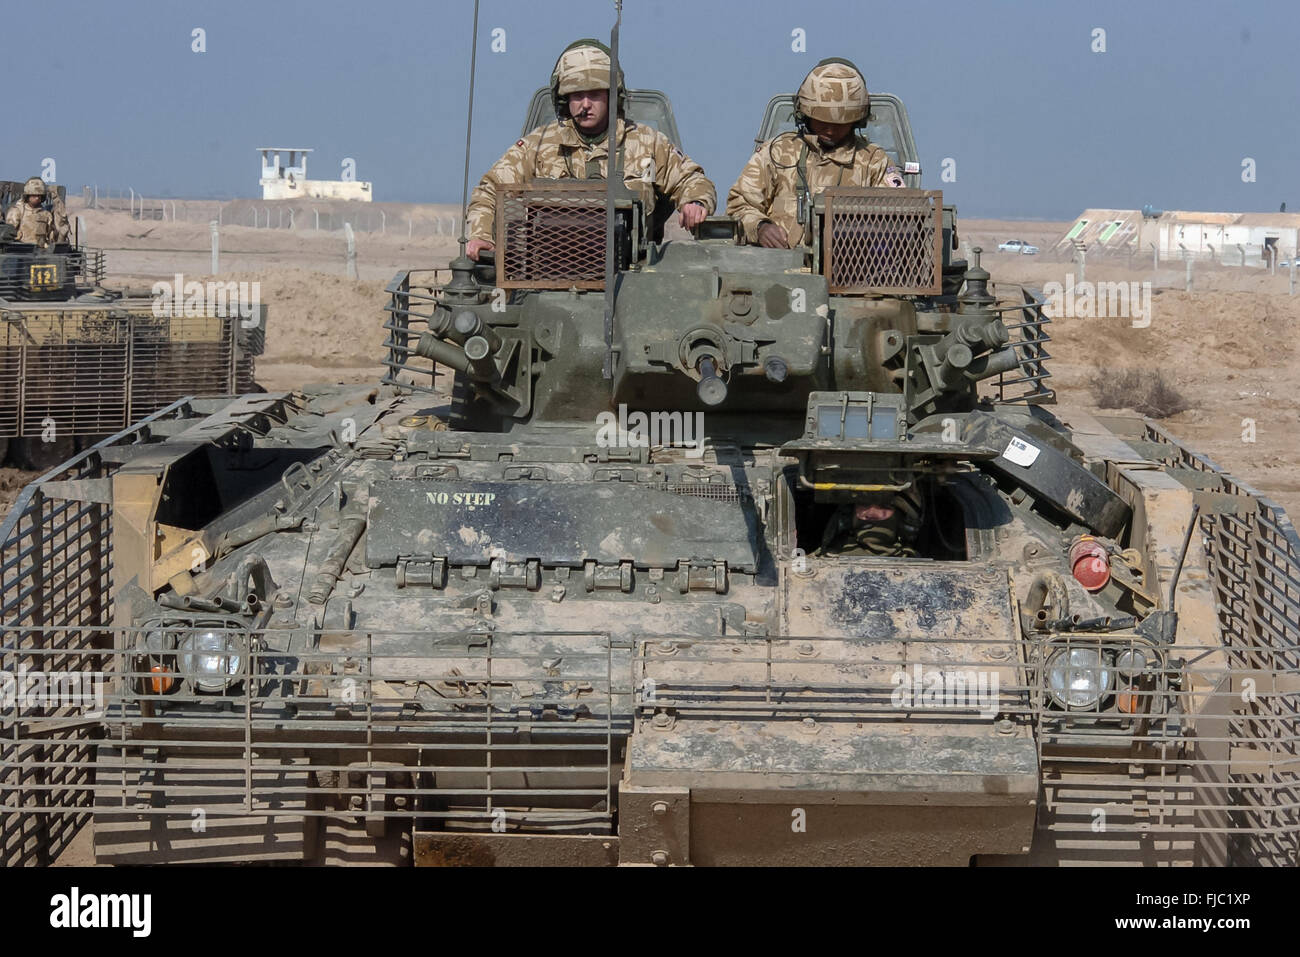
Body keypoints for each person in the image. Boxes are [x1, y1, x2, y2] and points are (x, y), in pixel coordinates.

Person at [465, 39, 716, 261]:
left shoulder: (647, 143)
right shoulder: (539, 146)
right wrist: (481, 235)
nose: (585, 105)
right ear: (564, 99)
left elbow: (691, 179)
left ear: (611, 96)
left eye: (595, 94)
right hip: (547, 278)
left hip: (632, 279)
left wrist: (694, 202)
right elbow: (490, 190)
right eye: (576, 95)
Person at [727, 59, 905, 249]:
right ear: (805, 115)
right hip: (780, 268)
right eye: (822, 121)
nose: (830, 130)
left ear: (856, 121)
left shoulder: (873, 162)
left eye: (839, 124)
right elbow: (739, 205)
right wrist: (761, 228)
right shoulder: (777, 153)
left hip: (851, 271)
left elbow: (900, 219)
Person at [4, 176, 69, 248]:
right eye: (34, 195)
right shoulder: (17, 211)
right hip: (20, 251)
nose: (37, 198)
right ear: (27, 195)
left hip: (40, 252)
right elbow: (8, 234)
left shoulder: (46, 214)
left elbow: (51, 237)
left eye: (39, 195)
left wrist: (61, 234)